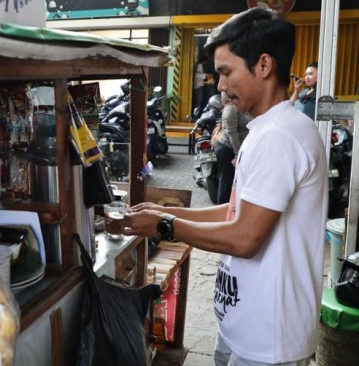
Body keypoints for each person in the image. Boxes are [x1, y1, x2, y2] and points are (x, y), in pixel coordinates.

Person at [122, 8, 328, 366]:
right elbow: (237, 211)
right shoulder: (264, 129)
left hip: (270, 339)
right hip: (244, 323)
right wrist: (166, 210)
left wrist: (165, 227)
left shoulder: (280, 136)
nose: (220, 85)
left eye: (226, 72)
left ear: (264, 65)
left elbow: (244, 237)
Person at [214, 92, 251, 204]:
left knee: (233, 181)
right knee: (226, 182)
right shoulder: (230, 110)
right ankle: (221, 210)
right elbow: (232, 134)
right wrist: (237, 154)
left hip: (235, 148)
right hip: (227, 148)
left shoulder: (240, 107)